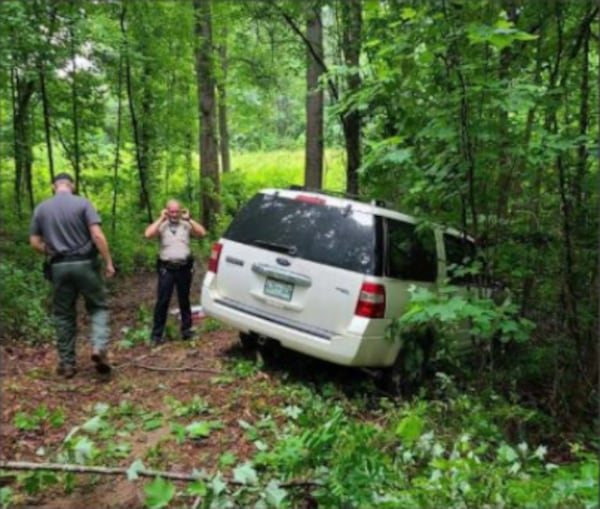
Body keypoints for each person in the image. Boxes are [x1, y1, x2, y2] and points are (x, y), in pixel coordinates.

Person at [29, 172, 116, 379]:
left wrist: (51, 252)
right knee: (98, 307)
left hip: (59, 267)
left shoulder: (41, 208)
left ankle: (67, 364)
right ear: (72, 185)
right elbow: (96, 235)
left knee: (63, 315)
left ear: (53, 186)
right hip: (86, 264)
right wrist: (109, 262)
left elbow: (34, 243)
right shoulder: (83, 204)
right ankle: (98, 347)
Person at [145, 199, 206, 346]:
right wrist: (161, 218)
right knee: (162, 301)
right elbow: (148, 234)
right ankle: (156, 335)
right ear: (166, 211)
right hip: (167, 268)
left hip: (184, 268)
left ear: (180, 211)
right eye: (171, 211)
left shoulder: (186, 225)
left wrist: (189, 219)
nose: (174, 214)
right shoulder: (162, 225)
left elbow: (202, 233)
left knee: (184, 300)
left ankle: (187, 331)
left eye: (176, 211)